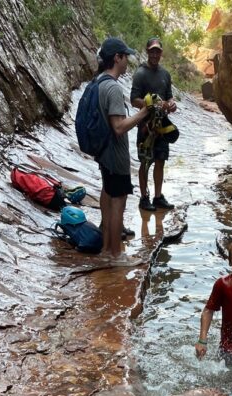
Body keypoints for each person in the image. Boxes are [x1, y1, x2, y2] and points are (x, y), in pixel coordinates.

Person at [96, 37, 150, 266]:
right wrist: (142, 113)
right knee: (118, 201)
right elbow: (118, 127)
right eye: (125, 56)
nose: (127, 60)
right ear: (116, 58)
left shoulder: (98, 82)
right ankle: (116, 254)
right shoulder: (113, 88)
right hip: (116, 154)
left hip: (103, 152)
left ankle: (107, 250)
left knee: (107, 196)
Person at [130, 37, 177, 212]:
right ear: (147, 52)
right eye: (152, 51)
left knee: (160, 160)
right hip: (145, 126)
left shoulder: (165, 74)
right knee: (145, 162)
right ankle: (144, 197)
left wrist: (171, 103)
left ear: (161, 53)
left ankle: (158, 196)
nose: (155, 54)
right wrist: (152, 104)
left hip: (162, 126)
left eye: (157, 51)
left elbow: (169, 95)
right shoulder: (140, 74)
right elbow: (134, 99)